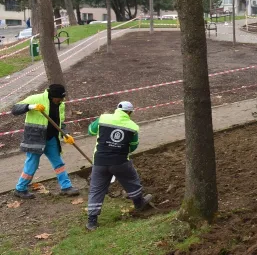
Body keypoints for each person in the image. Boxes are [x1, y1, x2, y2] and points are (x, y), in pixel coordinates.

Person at [85, 101, 152, 231]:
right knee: (132, 180)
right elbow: (133, 146)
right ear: (130, 112)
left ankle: (92, 222)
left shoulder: (103, 118)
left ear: (117, 109)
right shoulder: (133, 127)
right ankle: (139, 203)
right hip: (120, 161)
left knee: (96, 189)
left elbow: (90, 131)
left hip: (99, 162)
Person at [12, 84, 79, 199]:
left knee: (59, 163)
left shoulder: (60, 105)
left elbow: (60, 123)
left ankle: (66, 187)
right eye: (60, 98)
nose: (62, 100)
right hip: (36, 139)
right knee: (32, 165)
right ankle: (20, 189)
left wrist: (66, 134)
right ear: (53, 96)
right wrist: (31, 107)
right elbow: (14, 109)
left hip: (51, 138)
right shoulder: (36, 98)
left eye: (63, 98)